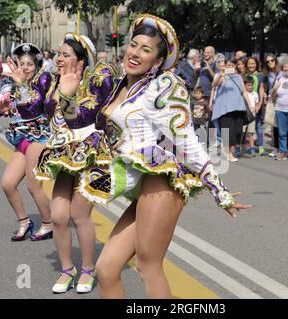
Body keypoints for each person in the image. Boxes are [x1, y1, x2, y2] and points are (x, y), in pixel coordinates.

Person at [85, 14, 250, 299]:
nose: (135, 53)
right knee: (106, 268)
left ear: (158, 61)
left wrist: (218, 189)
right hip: (139, 179)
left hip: (162, 180)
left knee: (148, 268)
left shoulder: (162, 88)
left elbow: (187, 141)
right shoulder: (121, 84)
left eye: (146, 50)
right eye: (134, 45)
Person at [34, 33, 116, 294]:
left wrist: (69, 95)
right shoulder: (52, 84)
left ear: (81, 62)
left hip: (98, 156)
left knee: (80, 215)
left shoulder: (96, 83)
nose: (59, 59)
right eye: (59, 54)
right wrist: (17, 94)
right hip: (64, 155)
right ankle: (68, 270)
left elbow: (82, 119)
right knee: (58, 217)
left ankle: (88, 269)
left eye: (66, 55)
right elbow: (38, 111)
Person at [0, 43, 54, 242]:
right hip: (22, 140)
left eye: (30, 64)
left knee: (33, 185)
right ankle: (25, 222)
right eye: (21, 63)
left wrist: (21, 84)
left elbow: (34, 108)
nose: (25, 67)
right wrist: (1, 107)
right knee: (7, 183)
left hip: (40, 137)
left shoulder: (43, 80)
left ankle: (48, 223)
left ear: (37, 65)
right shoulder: (11, 85)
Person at [211, 59, 252, 161]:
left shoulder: (238, 77)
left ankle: (231, 149)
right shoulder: (221, 76)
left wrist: (250, 104)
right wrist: (221, 74)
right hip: (224, 108)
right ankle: (229, 154)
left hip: (238, 107)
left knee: (238, 130)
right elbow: (214, 85)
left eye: (232, 65)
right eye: (228, 65)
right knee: (228, 131)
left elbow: (243, 91)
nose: (230, 67)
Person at [262, 53, 282, 157]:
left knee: (281, 124)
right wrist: (265, 94)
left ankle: (282, 147)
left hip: (281, 99)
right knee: (273, 124)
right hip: (271, 100)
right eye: (268, 61)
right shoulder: (267, 73)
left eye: (272, 60)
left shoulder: (281, 73)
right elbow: (266, 86)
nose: (270, 63)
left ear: (275, 61)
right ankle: (276, 147)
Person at [242, 75, 259, 156]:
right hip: (243, 115)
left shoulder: (255, 94)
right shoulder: (243, 94)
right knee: (241, 132)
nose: (250, 87)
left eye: (251, 85)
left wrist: (256, 109)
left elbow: (256, 104)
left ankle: (252, 148)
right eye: (248, 85)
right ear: (244, 85)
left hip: (252, 116)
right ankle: (239, 147)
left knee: (251, 133)